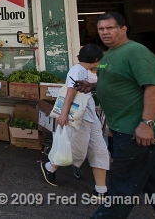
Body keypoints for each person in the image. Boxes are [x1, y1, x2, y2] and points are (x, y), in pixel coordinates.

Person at [75, 12, 155, 218]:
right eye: (101, 29)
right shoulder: (111, 53)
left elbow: (154, 88)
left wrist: (146, 124)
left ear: (123, 29)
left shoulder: (137, 53)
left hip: (134, 132)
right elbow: (118, 80)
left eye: (110, 28)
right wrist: (93, 86)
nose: (105, 32)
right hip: (124, 128)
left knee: (121, 191)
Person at [40, 44, 110, 201]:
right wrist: (63, 115)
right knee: (73, 147)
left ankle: (101, 189)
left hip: (90, 116)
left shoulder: (84, 71)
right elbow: (70, 93)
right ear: (96, 59)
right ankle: (49, 167)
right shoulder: (77, 70)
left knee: (99, 149)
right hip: (79, 117)